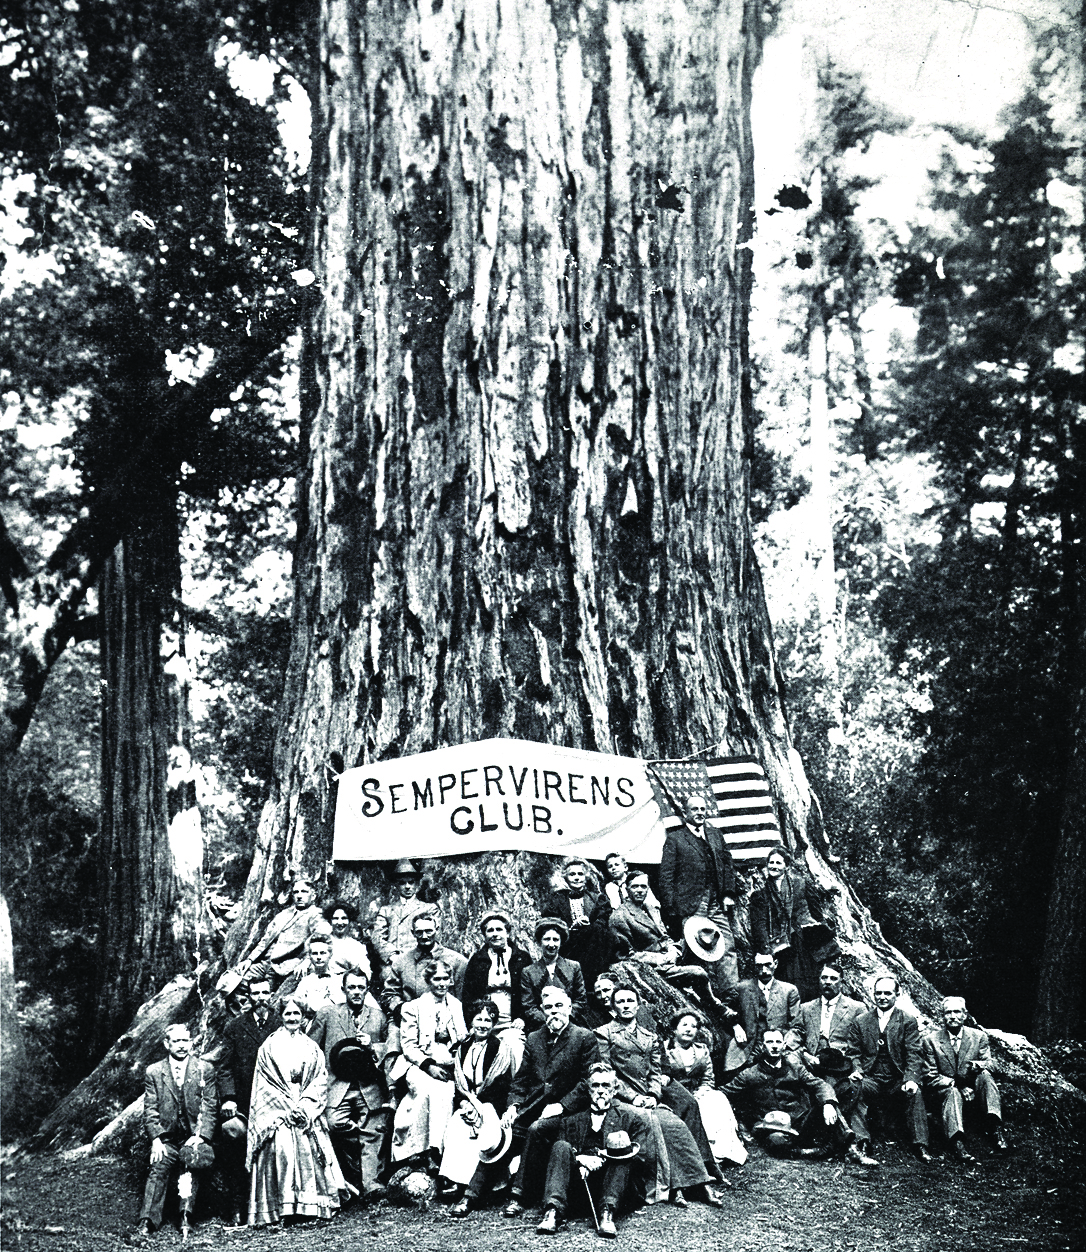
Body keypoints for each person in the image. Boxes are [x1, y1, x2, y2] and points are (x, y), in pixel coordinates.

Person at [595, 984, 723, 1207]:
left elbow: (657, 1071)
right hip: (621, 1098)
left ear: (638, 1005)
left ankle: (700, 1184)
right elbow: (607, 1074)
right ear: (614, 1007)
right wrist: (634, 1098)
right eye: (621, 1002)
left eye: (630, 1001)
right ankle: (679, 1187)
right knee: (660, 1123)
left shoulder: (649, 1036)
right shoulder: (604, 1033)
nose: (626, 1005)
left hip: (648, 1097)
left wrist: (653, 1094)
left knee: (675, 1124)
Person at [246, 998, 347, 1226]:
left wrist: (305, 1108)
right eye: (288, 1014)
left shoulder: (312, 1048)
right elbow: (264, 1085)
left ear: (303, 1018)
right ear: (280, 1016)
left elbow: (320, 1081)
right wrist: (286, 1110)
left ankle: (310, 1208)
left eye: (296, 1014)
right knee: (282, 1146)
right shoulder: (269, 1047)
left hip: (304, 1107)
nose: (292, 1018)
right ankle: (283, 1209)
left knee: (307, 1141)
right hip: (278, 1112)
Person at [501, 985, 600, 1217]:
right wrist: (513, 1106)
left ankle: (519, 1195)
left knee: (537, 1129)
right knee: (504, 1130)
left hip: (572, 1113)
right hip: (536, 1107)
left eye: (559, 1006)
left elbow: (589, 1081)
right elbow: (521, 1080)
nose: (554, 1012)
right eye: (548, 1008)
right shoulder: (535, 1038)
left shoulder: (584, 1037)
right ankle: (476, 1192)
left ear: (569, 1008)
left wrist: (562, 1105)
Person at [535, 1065, 654, 1237]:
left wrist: (604, 1158)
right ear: (588, 1091)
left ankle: (607, 1215)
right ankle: (552, 1212)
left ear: (614, 1091)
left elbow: (641, 1158)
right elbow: (560, 1157)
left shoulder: (631, 1119)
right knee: (560, 1146)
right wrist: (579, 1159)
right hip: (582, 1187)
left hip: (617, 1187)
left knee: (623, 1151)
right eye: (595, 1086)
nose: (600, 1091)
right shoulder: (571, 1121)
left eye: (606, 1086)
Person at [722, 1028, 870, 1164]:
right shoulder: (749, 1074)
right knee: (776, 1141)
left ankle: (851, 1148)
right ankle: (813, 1152)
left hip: (800, 1122)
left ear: (784, 1045)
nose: (774, 1046)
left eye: (778, 1042)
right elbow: (725, 1092)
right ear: (762, 1046)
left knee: (828, 1102)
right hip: (773, 1127)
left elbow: (819, 1084)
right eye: (769, 1042)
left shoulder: (795, 1068)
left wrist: (828, 1103)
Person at [308, 967, 391, 1204]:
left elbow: (389, 1050)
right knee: (333, 1125)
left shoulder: (378, 1016)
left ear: (367, 990)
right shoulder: (328, 1013)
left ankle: (371, 1186)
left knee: (374, 1130)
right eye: (351, 987)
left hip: (368, 1086)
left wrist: (373, 1045)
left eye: (361, 988)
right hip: (337, 1085)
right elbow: (311, 1048)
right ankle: (354, 1174)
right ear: (343, 989)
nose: (356, 992)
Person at [132, 1024, 218, 1239]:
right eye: (176, 1041)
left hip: (193, 1136)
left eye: (185, 1041)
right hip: (167, 1137)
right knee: (159, 1165)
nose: (181, 1046)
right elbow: (150, 1109)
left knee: (190, 1163)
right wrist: (156, 1139)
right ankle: (148, 1220)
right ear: (166, 1044)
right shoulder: (154, 1071)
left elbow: (209, 1106)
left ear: (191, 1042)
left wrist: (199, 1136)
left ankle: (185, 1215)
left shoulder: (203, 1068)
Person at [389, 958, 467, 1168]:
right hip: (418, 1064)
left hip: (449, 1063)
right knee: (431, 1090)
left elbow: (462, 1039)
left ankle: (441, 1149)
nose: (442, 984)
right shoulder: (412, 1007)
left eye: (445, 979)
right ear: (428, 981)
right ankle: (426, 1151)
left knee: (449, 1090)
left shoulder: (456, 1006)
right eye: (437, 979)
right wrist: (429, 1066)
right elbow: (408, 1046)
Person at [658, 793, 738, 996]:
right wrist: (672, 909)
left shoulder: (715, 835)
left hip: (716, 901)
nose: (700, 813)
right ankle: (707, 996)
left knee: (726, 944)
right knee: (700, 949)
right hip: (690, 904)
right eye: (695, 809)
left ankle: (731, 993)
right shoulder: (676, 839)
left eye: (703, 809)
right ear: (685, 813)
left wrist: (728, 893)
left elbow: (727, 864)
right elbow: (666, 876)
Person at [845, 976, 931, 1163]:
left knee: (915, 1092)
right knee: (854, 1087)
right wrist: (857, 1070)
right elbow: (853, 1052)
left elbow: (914, 1053)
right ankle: (862, 1140)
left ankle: (920, 1144)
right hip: (871, 1077)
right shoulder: (861, 1021)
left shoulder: (907, 1020)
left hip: (896, 1078)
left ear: (897, 995)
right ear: (873, 995)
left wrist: (910, 1079)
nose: (882, 997)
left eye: (887, 993)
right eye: (878, 993)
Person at [442, 999, 518, 1212]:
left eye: (488, 1020)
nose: (483, 1024)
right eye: (479, 1019)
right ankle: (458, 1181)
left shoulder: (500, 1048)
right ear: (471, 1021)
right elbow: (460, 1085)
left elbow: (502, 1084)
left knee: (487, 1128)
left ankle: (487, 1186)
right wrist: (465, 1103)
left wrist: (479, 1106)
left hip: (492, 1104)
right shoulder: (463, 1048)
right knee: (457, 1124)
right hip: (468, 1103)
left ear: (493, 1024)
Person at [217, 978, 282, 1226]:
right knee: (232, 1135)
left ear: (271, 994)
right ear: (249, 996)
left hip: (275, 1102)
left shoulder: (282, 1022)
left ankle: (277, 1206)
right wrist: (229, 1098)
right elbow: (224, 1069)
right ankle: (237, 1205)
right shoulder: (235, 1027)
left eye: (265, 992)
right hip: (244, 1103)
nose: (261, 997)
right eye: (256, 993)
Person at [609, 872, 721, 1005]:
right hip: (653, 968)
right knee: (699, 973)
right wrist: (659, 959)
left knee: (697, 940)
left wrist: (673, 949)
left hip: (669, 957)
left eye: (643, 887)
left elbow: (664, 936)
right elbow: (625, 955)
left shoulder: (651, 908)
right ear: (626, 889)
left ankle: (708, 991)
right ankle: (713, 1003)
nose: (640, 890)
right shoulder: (619, 917)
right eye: (635, 887)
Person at [923, 996, 1007, 1159]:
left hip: (972, 1086)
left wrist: (978, 1065)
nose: (952, 1016)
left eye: (957, 1012)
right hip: (943, 1091)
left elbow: (990, 1064)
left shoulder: (978, 1036)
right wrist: (958, 1085)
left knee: (985, 1075)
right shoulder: (930, 1041)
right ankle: (957, 1142)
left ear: (965, 1015)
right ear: (943, 1016)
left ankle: (995, 1127)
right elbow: (930, 1076)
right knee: (952, 1092)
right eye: (948, 1012)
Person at [748, 846, 837, 1000]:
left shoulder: (801, 884)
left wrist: (821, 938)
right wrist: (767, 952)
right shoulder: (761, 895)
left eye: (778, 863)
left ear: (786, 866)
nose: (774, 866)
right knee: (788, 984)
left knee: (812, 982)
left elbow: (817, 914)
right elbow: (760, 927)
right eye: (771, 862)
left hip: (806, 943)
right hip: (783, 947)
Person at [662, 1011, 747, 1166]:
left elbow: (708, 1078)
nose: (689, 1029)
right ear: (674, 1029)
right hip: (673, 1094)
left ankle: (720, 1153)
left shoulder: (702, 1050)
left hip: (698, 1092)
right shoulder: (664, 1050)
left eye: (693, 1026)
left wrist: (702, 1091)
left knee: (717, 1098)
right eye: (684, 1025)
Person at [796, 962, 864, 1126]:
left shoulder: (856, 1008)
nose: (828, 982)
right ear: (818, 980)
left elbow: (861, 1044)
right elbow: (796, 1035)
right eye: (824, 978)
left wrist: (856, 1069)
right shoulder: (805, 1008)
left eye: (833, 978)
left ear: (842, 982)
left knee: (832, 1084)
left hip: (839, 1065)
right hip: (810, 1063)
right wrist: (805, 1055)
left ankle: (840, 1130)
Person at [460, 911, 531, 1068]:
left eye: (499, 929)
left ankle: (517, 1090)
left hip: (512, 1022)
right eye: (490, 930)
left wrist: (522, 1018)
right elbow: (468, 997)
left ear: (507, 931)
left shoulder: (522, 958)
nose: (495, 934)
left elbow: (530, 993)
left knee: (514, 1047)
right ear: (484, 935)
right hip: (485, 1022)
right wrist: (471, 1024)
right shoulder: (477, 960)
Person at [236, 877, 326, 989]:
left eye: (304, 891)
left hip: (285, 967)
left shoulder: (316, 914)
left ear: (313, 896)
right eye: (296, 892)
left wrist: (308, 960)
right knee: (235, 983)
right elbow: (265, 940)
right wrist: (249, 960)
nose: (299, 895)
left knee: (266, 998)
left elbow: (320, 940)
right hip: (264, 964)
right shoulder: (284, 914)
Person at [381, 910, 468, 1023]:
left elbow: (464, 998)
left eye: (429, 931)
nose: (424, 936)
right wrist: (401, 1008)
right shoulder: (401, 962)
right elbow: (389, 994)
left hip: (447, 1021)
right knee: (393, 1039)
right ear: (413, 933)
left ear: (437, 930)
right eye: (419, 932)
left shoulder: (458, 961)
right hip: (408, 1019)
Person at [725, 952, 800, 1069]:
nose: (764, 970)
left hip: (780, 1049)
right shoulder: (742, 988)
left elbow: (797, 1025)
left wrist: (785, 1045)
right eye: (759, 966)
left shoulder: (789, 990)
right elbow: (723, 1009)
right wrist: (735, 1025)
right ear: (754, 967)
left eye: (768, 964)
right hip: (748, 1048)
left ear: (775, 964)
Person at [541, 859, 607, 978]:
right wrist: (571, 926)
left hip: (592, 944)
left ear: (586, 877)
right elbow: (550, 921)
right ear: (565, 878)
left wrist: (589, 925)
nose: (577, 878)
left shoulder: (597, 898)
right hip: (568, 943)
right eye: (572, 874)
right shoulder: (557, 898)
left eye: (580, 874)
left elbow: (603, 920)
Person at [520, 919, 588, 1030]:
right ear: (539, 942)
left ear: (561, 942)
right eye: (547, 939)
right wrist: (548, 1020)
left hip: (571, 1023)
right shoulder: (528, 972)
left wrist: (564, 1018)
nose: (551, 944)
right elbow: (529, 1006)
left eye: (555, 940)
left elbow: (580, 1001)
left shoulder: (574, 967)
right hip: (541, 1025)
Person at [372, 859, 434, 972]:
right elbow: (377, 937)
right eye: (402, 883)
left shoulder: (429, 908)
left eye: (411, 882)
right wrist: (392, 956)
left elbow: (433, 937)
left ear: (417, 884)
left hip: (419, 962)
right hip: (393, 963)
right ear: (396, 885)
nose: (407, 887)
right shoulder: (386, 910)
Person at [285, 934, 344, 1017]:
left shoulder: (338, 980)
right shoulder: (306, 981)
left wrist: (307, 1005)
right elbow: (296, 1005)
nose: (318, 957)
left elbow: (335, 1006)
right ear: (310, 956)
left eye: (322, 953)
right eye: (315, 953)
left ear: (330, 954)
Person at [582, 973, 655, 1032]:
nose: (603, 996)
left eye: (606, 990)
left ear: (616, 989)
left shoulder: (638, 1009)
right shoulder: (593, 1017)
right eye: (598, 993)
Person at [324, 901, 373, 981]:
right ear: (330, 921)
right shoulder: (323, 942)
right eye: (335, 918)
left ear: (349, 921)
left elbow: (365, 972)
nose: (340, 923)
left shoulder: (357, 946)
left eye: (344, 918)